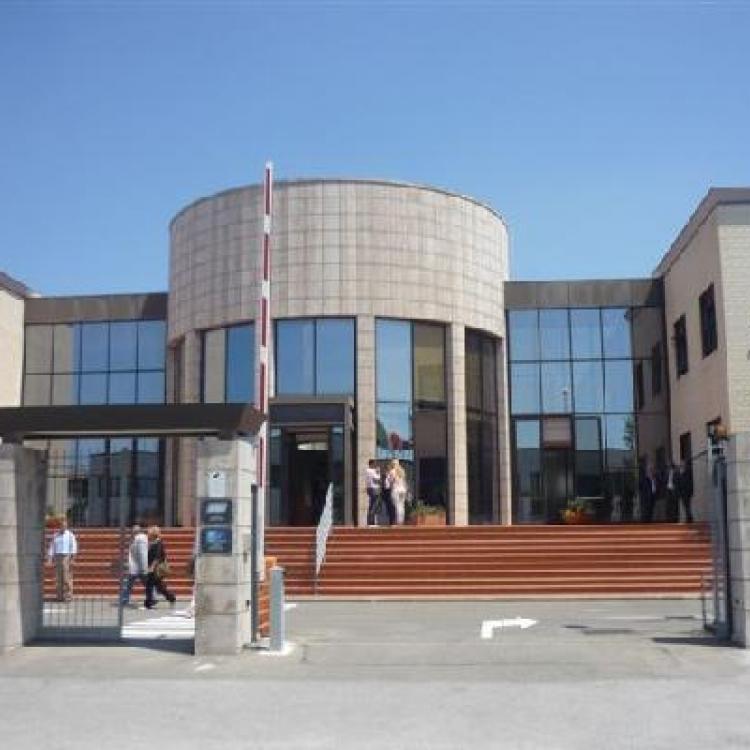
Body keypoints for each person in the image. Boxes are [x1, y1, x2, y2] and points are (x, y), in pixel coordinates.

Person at [144, 525, 176, 609]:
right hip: (152, 568)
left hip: (155, 569)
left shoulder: (158, 543)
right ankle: (171, 598)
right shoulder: (153, 543)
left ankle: (148, 604)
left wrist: (152, 567)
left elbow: (157, 557)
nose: (147, 535)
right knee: (159, 587)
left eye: (148, 533)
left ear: (153, 534)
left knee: (149, 586)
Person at [47, 517, 77, 602]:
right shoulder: (56, 535)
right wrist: (50, 557)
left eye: (64, 525)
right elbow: (52, 546)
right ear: (59, 526)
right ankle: (59, 596)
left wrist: (72, 558)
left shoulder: (70, 535)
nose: (63, 527)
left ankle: (68, 595)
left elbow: (73, 547)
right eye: (61, 525)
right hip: (57, 557)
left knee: (66, 577)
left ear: (66, 526)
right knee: (58, 577)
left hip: (66, 556)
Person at [121, 524, 148, 606]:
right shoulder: (138, 539)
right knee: (146, 583)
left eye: (133, 531)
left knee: (128, 584)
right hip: (137, 567)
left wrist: (144, 567)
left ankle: (124, 599)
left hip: (138, 567)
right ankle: (153, 597)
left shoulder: (139, 540)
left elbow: (142, 554)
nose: (132, 532)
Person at [387, 459, 408, 525]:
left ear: (392, 464)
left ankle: (398, 522)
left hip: (396, 490)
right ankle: (401, 521)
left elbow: (390, 481)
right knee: (402, 506)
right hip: (403, 490)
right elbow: (404, 481)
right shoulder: (402, 471)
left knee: (397, 506)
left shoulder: (392, 471)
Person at [366, 459, 382, 526]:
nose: (375, 465)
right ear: (372, 464)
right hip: (374, 488)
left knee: (371, 504)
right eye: (374, 464)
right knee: (374, 505)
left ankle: (370, 521)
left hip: (369, 488)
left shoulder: (367, 470)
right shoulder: (372, 471)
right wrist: (378, 473)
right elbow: (377, 479)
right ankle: (371, 522)